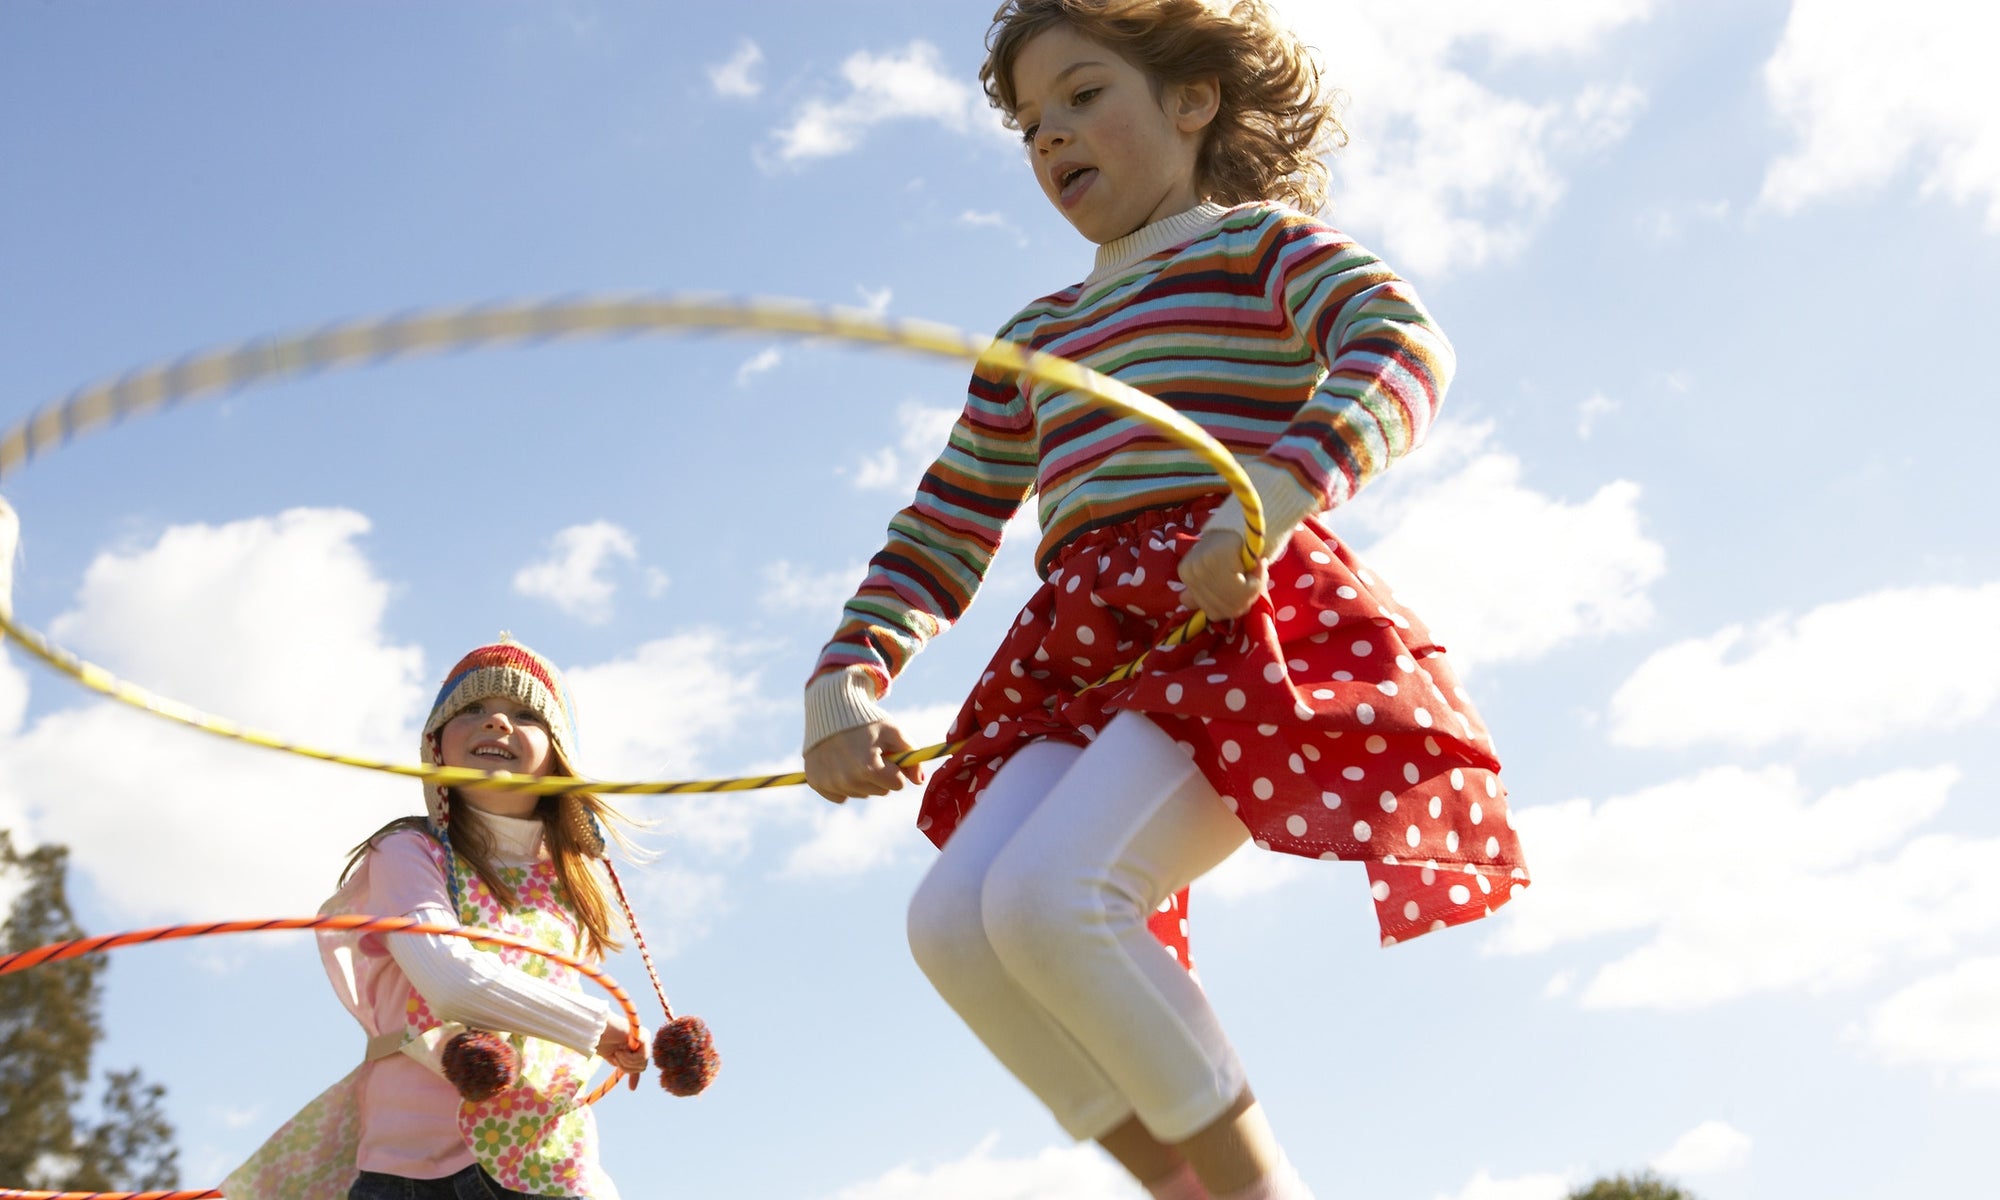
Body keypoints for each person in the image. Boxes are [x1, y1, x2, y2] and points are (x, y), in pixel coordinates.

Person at [802, 3, 1530, 1198]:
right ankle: (1183, 1189)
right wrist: (847, 675)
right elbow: (943, 525)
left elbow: (1400, 343)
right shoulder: (1037, 337)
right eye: (1031, 124)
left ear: (1190, 102)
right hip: (1081, 660)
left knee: (1052, 901)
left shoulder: (1258, 247)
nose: (1051, 138)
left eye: (1083, 96)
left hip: (1229, 629)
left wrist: (1269, 498)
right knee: (954, 924)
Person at [227, 639, 651, 1200]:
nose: (496, 720)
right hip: (415, 1175)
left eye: (525, 715)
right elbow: (447, 979)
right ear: (436, 744)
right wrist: (598, 1025)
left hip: (546, 1164)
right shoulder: (407, 852)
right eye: (471, 709)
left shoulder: (569, 882)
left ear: (556, 756)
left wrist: (608, 1039)